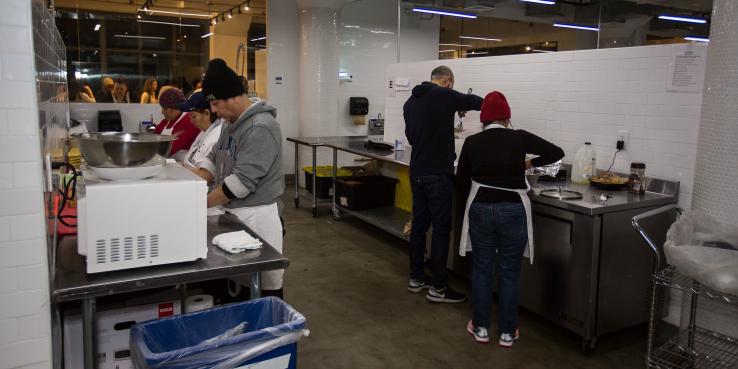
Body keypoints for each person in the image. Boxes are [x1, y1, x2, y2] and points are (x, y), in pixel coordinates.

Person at [457, 91, 563, 347]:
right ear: (506, 117)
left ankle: (480, 328)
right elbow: (556, 152)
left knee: (482, 269)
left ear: (483, 119)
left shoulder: (472, 142)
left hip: (481, 207)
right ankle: (507, 332)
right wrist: (527, 164)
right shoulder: (520, 138)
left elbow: (461, 180)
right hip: (514, 209)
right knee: (509, 272)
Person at [192, 58, 285, 299]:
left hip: (258, 217)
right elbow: (214, 156)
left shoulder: (261, 127)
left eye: (215, 103)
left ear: (233, 97)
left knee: (261, 286)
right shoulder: (229, 122)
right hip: (235, 215)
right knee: (237, 285)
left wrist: (198, 204)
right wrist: (189, 179)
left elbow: (241, 183)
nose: (213, 110)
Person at [403, 66, 483, 304]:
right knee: (440, 230)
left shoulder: (410, 102)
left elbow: (411, 137)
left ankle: (416, 278)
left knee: (419, 226)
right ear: (447, 81)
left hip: (416, 171)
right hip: (437, 173)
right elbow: (478, 102)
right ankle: (438, 287)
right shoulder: (444, 95)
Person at [177, 91, 223, 170]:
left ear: (207, 113)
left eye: (194, 117)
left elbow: (205, 174)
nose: (191, 121)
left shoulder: (216, 138)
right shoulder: (204, 132)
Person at [153, 88, 199, 161]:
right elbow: (152, 138)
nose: (162, 112)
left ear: (177, 107)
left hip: (183, 168)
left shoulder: (188, 121)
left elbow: (169, 149)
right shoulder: (166, 122)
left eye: (165, 108)